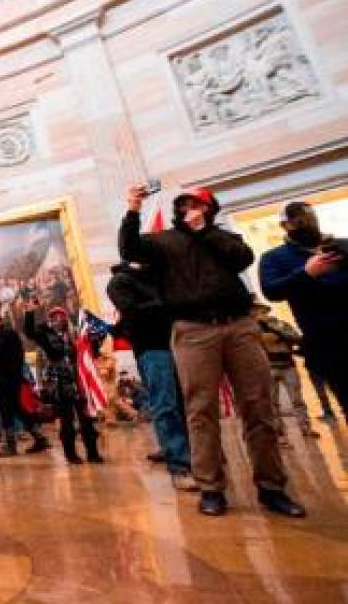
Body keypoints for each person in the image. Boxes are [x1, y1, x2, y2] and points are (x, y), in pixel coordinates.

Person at [121, 185, 304, 518]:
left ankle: (271, 487)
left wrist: (204, 231)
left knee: (258, 406)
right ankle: (211, 487)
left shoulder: (222, 237)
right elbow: (129, 247)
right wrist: (133, 209)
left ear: (209, 208)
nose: (188, 209)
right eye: (183, 205)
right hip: (193, 331)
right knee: (200, 410)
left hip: (238, 326)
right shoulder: (165, 242)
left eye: (195, 204)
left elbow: (243, 258)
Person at [107, 262, 196, 491]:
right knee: (165, 404)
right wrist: (166, 304)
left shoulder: (160, 275)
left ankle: (189, 452)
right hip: (153, 347)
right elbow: (132, 312)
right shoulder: (120, 281)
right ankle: (179, 465)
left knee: (187, 402)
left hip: (183, 342)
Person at [260, 201, 348, 423]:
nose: (305, 223)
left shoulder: (341, 246)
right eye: (297, 220)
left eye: (308, 217)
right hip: (327, 342)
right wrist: (307, 273)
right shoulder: (275, 258)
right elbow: (272, 290)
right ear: (285, 226)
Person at [24, 306, 101, 465]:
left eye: (61, 316)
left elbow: (91, 351)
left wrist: (95, 340)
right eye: (54, 317)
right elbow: (29, 331)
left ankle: (93, 453)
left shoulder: (77, 334)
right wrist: (29, 313)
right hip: (60, 382)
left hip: (79, 380)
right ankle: (71, 455)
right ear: (50, 319)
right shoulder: (45, 335)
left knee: (87, 419)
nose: (58, 319)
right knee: (67, 421)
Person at [0, 308, 49, 456]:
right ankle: (39, 438)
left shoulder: (7, 334)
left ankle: (11, 446)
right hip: (2, 381)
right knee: (18, 410)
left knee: (7, 412)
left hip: (7, 381)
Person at [251, 300, 318, 444]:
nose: (258, 313)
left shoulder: (279, 324)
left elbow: (296, 337)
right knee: (272, 403)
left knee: (297, 399)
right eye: (255, 310)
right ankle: (279, 433)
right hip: (268, 367)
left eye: (260, 310)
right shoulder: (251, 330)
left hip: (288, 365)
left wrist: (277, 332)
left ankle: (305, 426)